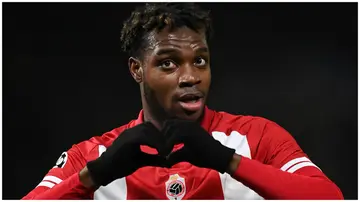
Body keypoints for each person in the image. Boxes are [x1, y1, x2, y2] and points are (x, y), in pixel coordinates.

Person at [22, 3, 343, 200]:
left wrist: (228, 161)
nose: (190, 77)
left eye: (200, 61)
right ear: (137, 70)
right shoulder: (93, 155)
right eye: (168, 63)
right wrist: (96, 176)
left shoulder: (258, 137)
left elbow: (330, 199)